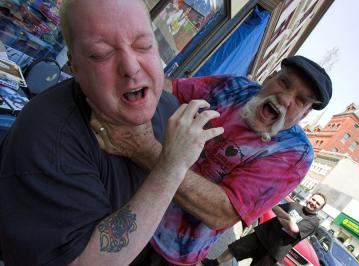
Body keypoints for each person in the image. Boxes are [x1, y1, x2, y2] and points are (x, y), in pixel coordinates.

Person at [0, 0, 224, 265]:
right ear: (75, 67)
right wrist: (169, 168)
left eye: (143, 45)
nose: (130, 67)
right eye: (101, 53)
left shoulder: (169, 110)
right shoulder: (46, 140)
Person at [93, 56, 333, 265]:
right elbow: (170, 91)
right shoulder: (235, 87)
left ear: (304, 114)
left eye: (301, 100)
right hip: (122, 202)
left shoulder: (294, 153)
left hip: (165, 250)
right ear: (270, 77)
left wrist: (144, 150)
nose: (284, 99)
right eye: (284, 82)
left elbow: (222, 211)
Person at [202, 192, 327, 266]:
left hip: (274, 250)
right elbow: (275, 208)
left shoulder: (314, 222)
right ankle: (214, 263)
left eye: (317, 204)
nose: (313, 203)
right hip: (262, 234)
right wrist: (288, 219)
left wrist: (284, 219)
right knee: (235, 248)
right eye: (313, 199)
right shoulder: (294, 205)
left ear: (320, 208)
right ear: (310, 197)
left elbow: (294, 229)